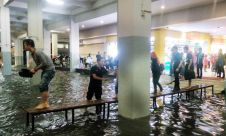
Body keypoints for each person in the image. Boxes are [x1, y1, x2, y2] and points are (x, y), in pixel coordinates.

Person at [23, 39, 55, 109]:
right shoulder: (33, 53)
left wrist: (35, 69)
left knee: (42, 85)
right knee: (43, 85)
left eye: (25, 45)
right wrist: (34, 71)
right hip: (46, 70)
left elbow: (44, 63)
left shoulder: (38, 52)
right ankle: (44, 102)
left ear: (29, 45)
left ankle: (45, 103)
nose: (24, 46)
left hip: (50, 70)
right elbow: (40, 64)